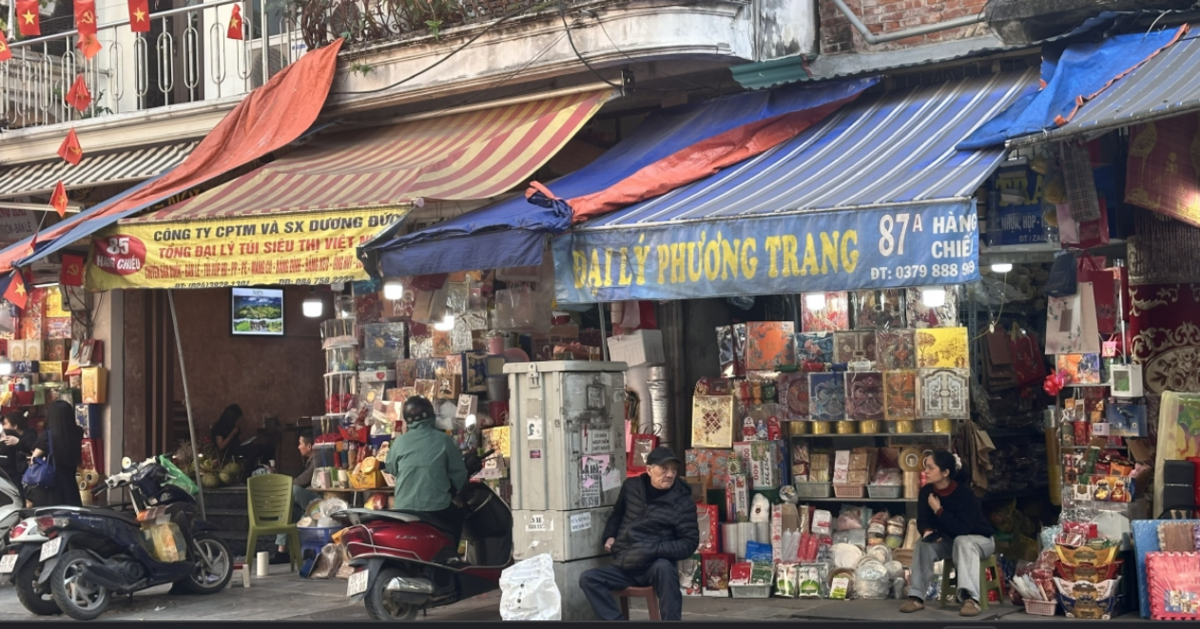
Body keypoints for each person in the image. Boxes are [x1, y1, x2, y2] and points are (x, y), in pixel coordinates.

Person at [579, 446, 699, 621]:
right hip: (625, 563)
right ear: (649, 470)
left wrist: (654, 549)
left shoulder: (683, 501)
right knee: (588, 579)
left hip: (654, 566)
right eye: (664, 469)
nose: (670, 474)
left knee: (666, 569)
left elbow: (689, 543)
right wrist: (609, 535)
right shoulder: (631, 487)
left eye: (674, 469)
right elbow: (618, 514)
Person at [900, 450, 996, 617]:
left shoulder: (965, 494)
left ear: (945, 472)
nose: (926, 471)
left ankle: (970, 599)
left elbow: (962, 529)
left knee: (962, 541)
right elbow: (923, 520)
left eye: (931, 468)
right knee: (922, 545)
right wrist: (928, 532)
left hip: (980, 540)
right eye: (926, 467)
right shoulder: (926, 492)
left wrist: (939, 510)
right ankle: (916, 597)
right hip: (950, 540)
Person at [384, 396, 468, 549]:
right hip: (437, 508)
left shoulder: (399, 442)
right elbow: (459, 474)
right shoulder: (444, 440)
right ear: (430, 414)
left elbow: (391, 468)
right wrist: (453, 491)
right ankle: (451, 554)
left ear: (407, 419)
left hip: (404, 508)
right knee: (458, 516)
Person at [26, 401, 84, 508]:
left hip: (51, 488)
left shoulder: (47, 436)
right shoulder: (77, 433)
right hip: (71, 486)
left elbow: (34, 458)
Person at [273, 429, 318, 565]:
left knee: (293, 490)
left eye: (300, 443)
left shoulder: (318, 459)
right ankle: (281, 552)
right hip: (308, 502)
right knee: (286, 509)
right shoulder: (310, 460)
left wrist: (286, 485)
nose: (298, 447)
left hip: (318, 502)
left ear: (309, 446)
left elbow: (305, 478)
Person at [0, 410, 37, 501]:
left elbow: (32, 450)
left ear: (15, 426)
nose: (3, 427)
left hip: (20, 475)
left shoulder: (27, 437)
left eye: (5, 423)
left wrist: (18, 443)